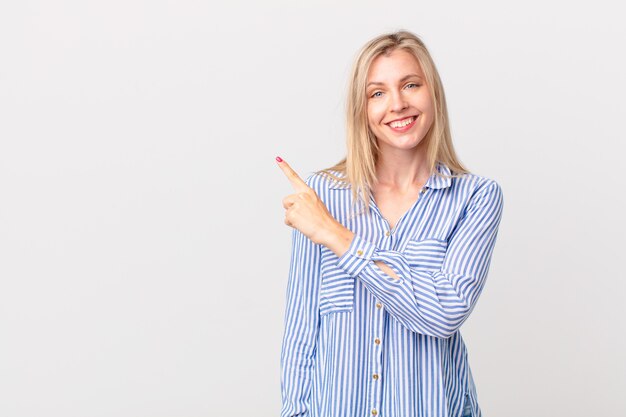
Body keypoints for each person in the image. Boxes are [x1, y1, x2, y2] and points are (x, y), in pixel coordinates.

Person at [276, 30, 504, 417]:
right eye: (377, 93)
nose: (397, 104)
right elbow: (301, 328)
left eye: (410, 85)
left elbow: (443, 313)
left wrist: (337, 237)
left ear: (433, 93)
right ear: (361, 109)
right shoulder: (323, 194)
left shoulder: (476, 198)